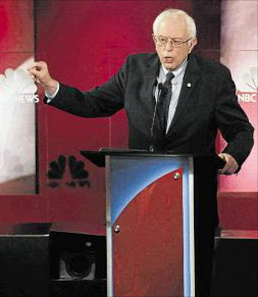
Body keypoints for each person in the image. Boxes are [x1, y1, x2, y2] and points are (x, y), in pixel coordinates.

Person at [29, 8, 254, 296]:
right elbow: (93, 103)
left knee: (189, 281)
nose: (167, 49)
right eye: (161, 41)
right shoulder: (135, 68)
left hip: (190, 203)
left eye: (175, 41)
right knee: (141, 279)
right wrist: (51, 86)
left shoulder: (214, 77)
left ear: (193, 43)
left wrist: (231, 157)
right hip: (139, 199)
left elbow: (241, 130)